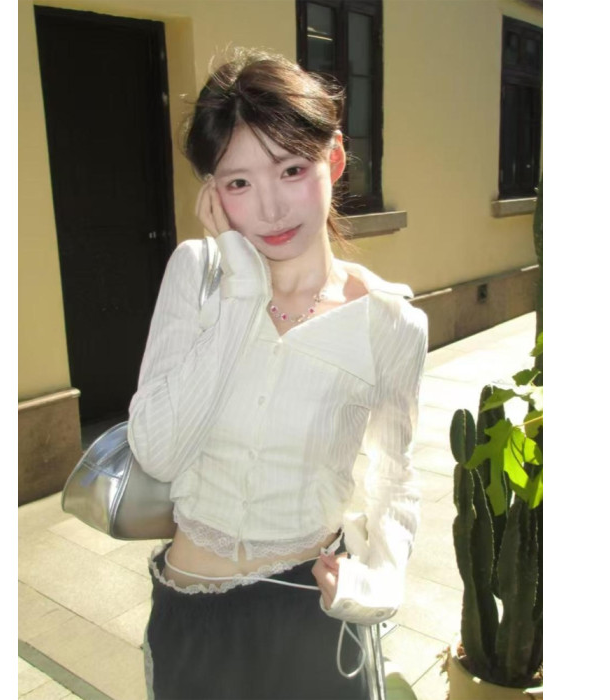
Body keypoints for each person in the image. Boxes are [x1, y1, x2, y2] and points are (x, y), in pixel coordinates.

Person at [127, 48, 428, 700]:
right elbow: (158, 451)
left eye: (291, 169)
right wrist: (241, 296)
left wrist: (378, 580)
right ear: (212, 193)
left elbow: (395, 478)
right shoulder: (196, 276)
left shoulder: (390, 323)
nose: (269, 208)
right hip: (193, 617)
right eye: (238, 183)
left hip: (309, 614)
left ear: (334, 160)